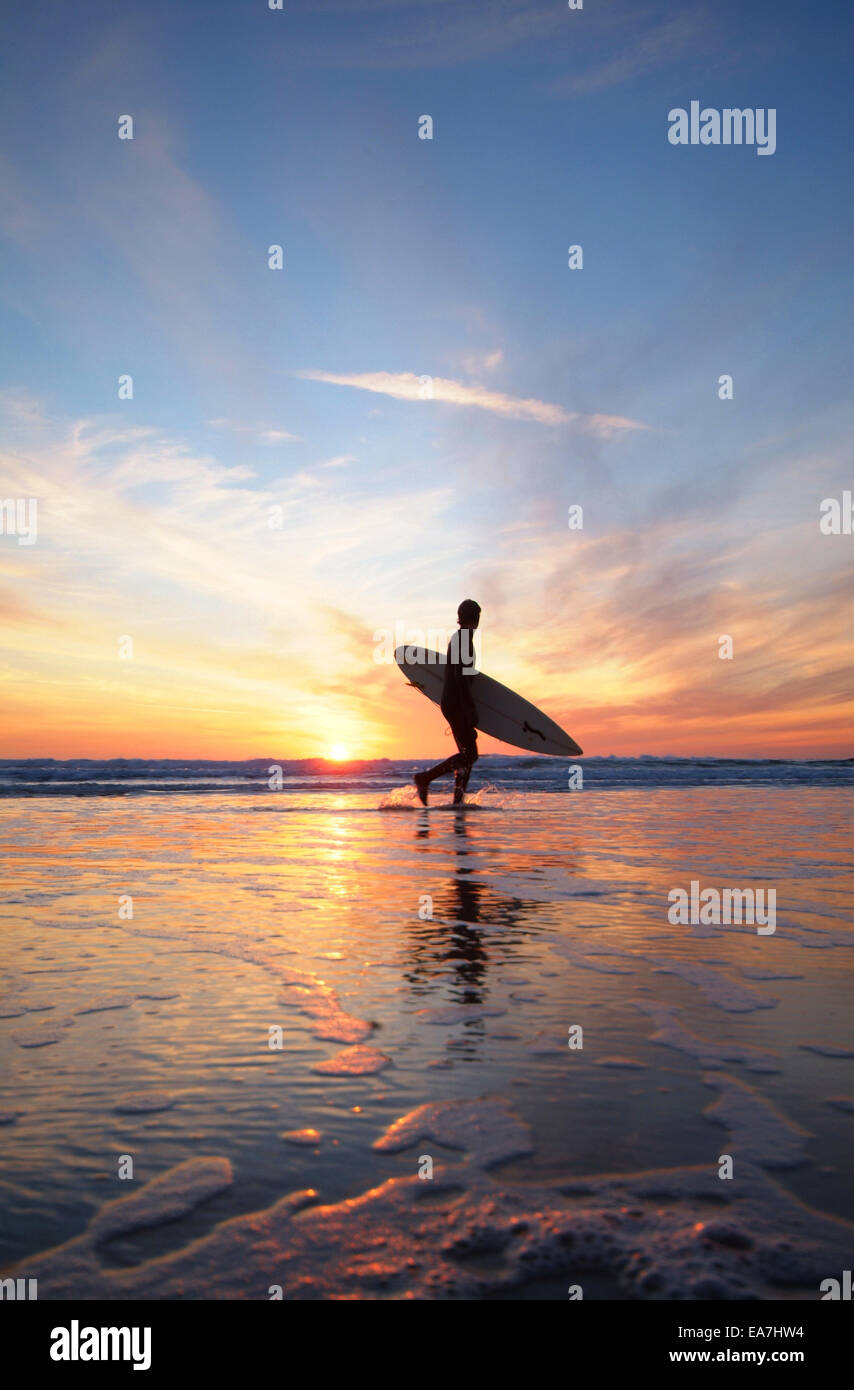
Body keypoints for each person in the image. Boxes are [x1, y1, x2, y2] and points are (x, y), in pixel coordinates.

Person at [414, 600, 481, 806]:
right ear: (476, 619)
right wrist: (470, 710)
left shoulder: (459, 638)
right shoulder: (463, 640)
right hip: (457, 704)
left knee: (467, 756)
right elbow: (461, 679)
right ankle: (424, 778)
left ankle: (457, 802)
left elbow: (461, 674)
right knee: (470, 755)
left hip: (452, 703)